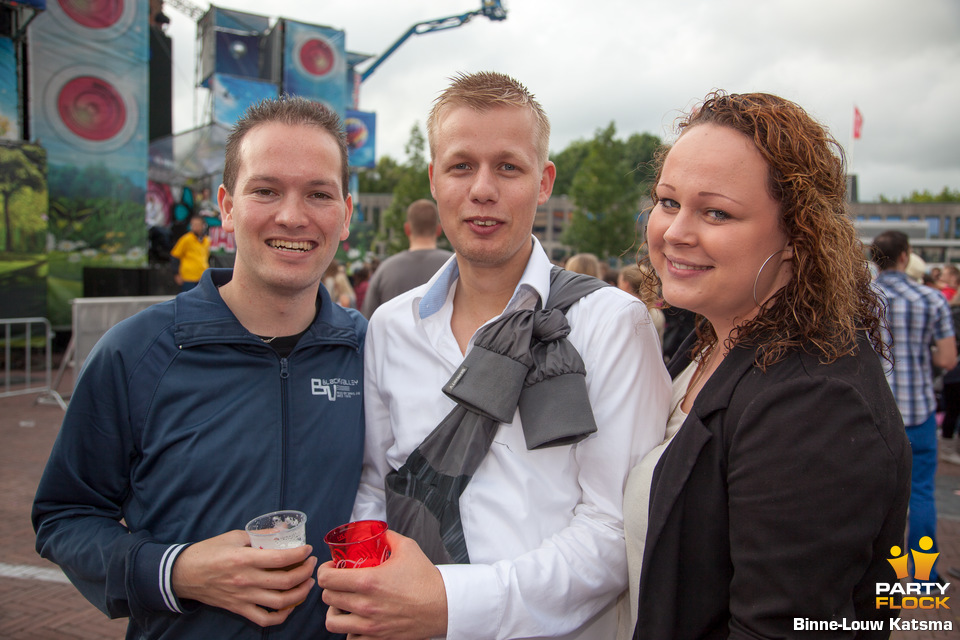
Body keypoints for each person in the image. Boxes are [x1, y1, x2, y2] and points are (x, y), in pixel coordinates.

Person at [317, 71, 670, 640]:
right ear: (434, 179)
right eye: (461, 166)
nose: (483, 189)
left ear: (544, 181)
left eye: (508, 166)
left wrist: (451, 605)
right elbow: (377, 481)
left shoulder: (611, 323)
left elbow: (613, 529)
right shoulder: (389, 326)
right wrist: (372, 580)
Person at [32, 96, 365, 640]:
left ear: (346, 214)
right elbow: (64, 517)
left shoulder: (372, 353)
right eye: (266, 190)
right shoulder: (135, 353)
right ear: (227, 207)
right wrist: (175, 571)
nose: (292, 215)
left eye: (319, 194)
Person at [624, 91, 912, 639]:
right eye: (667, 201)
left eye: (716, 212)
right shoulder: (715, 340)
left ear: (797, 238)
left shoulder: (814, 405)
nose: (675, 231)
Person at [872, 229, 956, 586]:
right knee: (921, 493)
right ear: (905, 256)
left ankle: (875, 579)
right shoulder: (931, 299)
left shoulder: (863, 297)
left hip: (874, 411)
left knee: (871, 497)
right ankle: (923, 580)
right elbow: (948, 358)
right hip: (918, 410)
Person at [360, 198, 453, 318]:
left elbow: (368, 319)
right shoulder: (455, 267)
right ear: (439, 229)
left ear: (407, 229)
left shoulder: (385, 270)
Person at [169, 214, 210, 291]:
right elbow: (174, 256)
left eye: (198, 225)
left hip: (202, 276)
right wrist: (176, 274)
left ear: (203, 226)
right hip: (188, 277)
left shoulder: (206, 240)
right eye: (193, 225)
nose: (195, 227)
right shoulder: (186, 239)